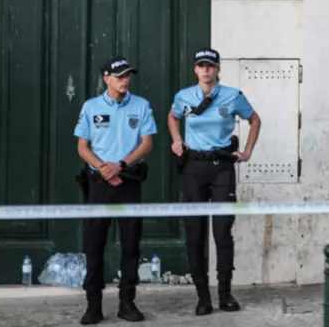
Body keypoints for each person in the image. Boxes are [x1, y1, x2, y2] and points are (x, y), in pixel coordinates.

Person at [168, 48, 262, 315]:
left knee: (222, 233)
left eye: (211, 66)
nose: (206, 70)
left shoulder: (232, 96)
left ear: (218, 69)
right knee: (195, 234)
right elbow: (172, 116)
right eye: (201, 66)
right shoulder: (184, 96)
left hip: (222, 167)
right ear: (195, 70)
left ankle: (225, 294)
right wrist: (177, 140)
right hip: (194, 167)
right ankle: (202, 297)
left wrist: (247, 151)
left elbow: (254, 120)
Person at [74, 57, 156, 325]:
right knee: (94, 245)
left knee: (131, 245)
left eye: (127, 75)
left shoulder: (141, 105)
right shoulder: (91, 107)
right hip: (99, 184)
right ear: (106, 78)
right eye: (119, 76)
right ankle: (93, 306)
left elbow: (147, 144)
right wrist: (103, 169)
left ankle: (127, 303)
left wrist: (120, 166)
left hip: (128, 183)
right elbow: (82, 146)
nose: (125, 80)